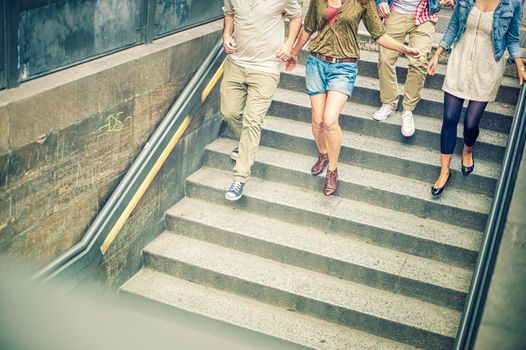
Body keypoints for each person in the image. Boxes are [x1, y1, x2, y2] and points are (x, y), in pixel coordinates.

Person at [287, 0, 421, 196]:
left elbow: (379, 34)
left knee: (330, 121)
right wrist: (294, 52)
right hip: (316, 63)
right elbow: (308, 27)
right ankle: (323, 154)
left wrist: (405, 49)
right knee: (317, 120)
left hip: (344, 67)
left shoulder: (363, 2)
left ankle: (332, 170)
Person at [428, 0, 525, 195]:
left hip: (487, 67)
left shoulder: (512, 3)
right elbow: (454, 25)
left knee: (471, 123)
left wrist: (519, 65)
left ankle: (468, 149)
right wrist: (438, 53)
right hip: (460, 62)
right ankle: (444, 171)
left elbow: (513, 37)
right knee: (449, 118)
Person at [221, 0, 302, 201]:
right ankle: (245, 143)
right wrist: (226, 34)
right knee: (229, 113)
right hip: (236, 63)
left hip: (266, 68)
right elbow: (229, 12)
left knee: (252, 121)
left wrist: (289, 43)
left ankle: (239, 179)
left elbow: (296, 16)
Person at [372, 0, 455, 137]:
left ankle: (408, 110)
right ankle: (388, 103)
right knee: (385, 59)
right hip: (395, 11)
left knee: (419, 62)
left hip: (424, 14)